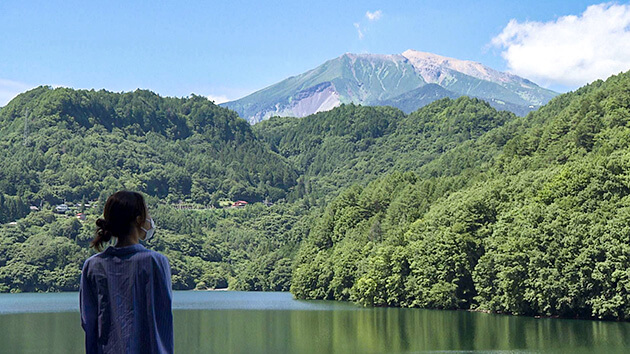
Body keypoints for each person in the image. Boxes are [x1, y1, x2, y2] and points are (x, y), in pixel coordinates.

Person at [80, 191, 174, 354]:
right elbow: (162, 323)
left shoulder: (93, 266)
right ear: (138, 219)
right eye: (147, 213)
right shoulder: (155, 262)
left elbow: (89, 324)